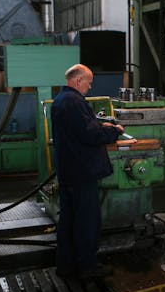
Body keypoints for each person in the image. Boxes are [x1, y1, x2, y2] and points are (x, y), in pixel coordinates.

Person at [51, 64, 123, 279]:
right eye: (88, 82)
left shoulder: (60, 100)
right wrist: (113, 132)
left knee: (68, 221)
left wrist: (101, 127)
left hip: (68, 171)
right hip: (82, 172)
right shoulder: (74, 102)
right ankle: (88, 267)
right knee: (86, 221)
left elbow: (81, 129)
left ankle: (66, 265)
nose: (89, 87)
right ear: (78, 80)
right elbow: (90, 135)